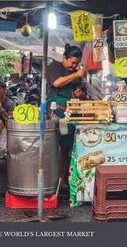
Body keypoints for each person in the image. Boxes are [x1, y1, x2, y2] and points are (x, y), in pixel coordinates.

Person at [47, 44, 86, 190]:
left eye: (77, 63)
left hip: (72, 113)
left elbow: (81, 92)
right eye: (72, 62)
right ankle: (55, 179)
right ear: (65, 57)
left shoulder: (76, 73)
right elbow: (56, 83)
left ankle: (62, 178)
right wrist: (76, 74)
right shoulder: (55, 67)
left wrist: (81, 94)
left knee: (68, 146)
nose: (74, 66)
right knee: (60, 144)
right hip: (58, 114)